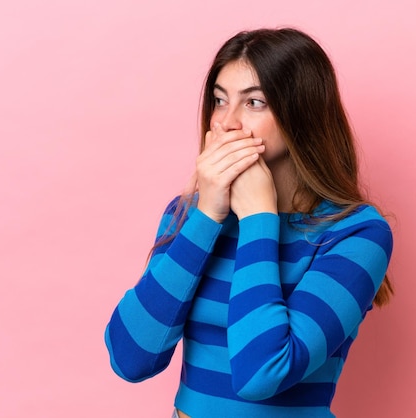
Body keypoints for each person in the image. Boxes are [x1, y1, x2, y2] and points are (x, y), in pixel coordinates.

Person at [104, 28, 393, 418]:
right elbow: (130, 357)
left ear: (300, 115)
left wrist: (259, 219)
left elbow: (261, 374)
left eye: (254, 102)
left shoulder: (356, 233)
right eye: (220, 101)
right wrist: (206, 215)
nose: (227, 123)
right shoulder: (190, 215)